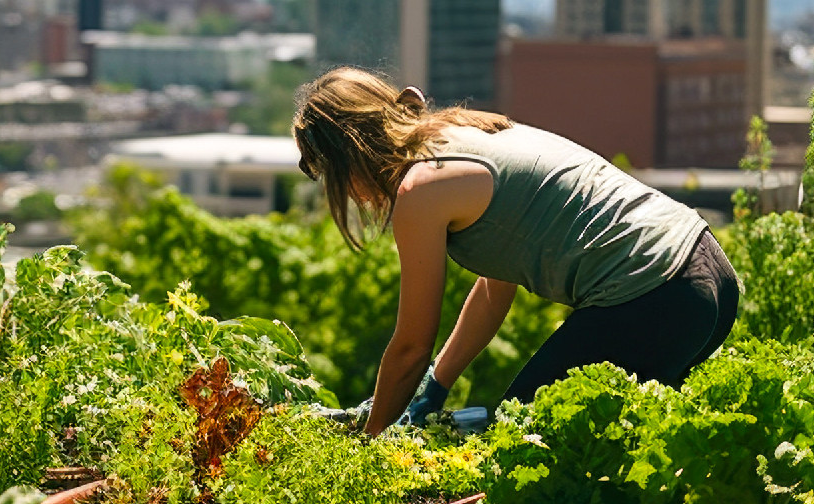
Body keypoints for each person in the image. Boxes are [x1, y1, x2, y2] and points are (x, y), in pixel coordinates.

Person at [291, 66, 738, 436]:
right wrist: (437, 384)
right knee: (599, 456)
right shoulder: (461, 132)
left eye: (324, 173)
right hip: (707, 274)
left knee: (520, 439)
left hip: (653, 291)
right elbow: (494, 289)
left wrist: (370, 446)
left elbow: (411, 346)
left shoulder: (421, 188)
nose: (343, 194)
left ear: (349, 153)